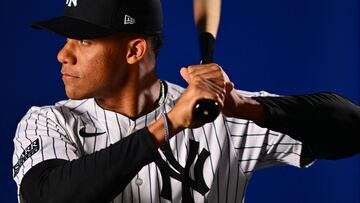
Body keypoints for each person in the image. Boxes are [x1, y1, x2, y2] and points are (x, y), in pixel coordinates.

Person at [12, 0, 360, 202]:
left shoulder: (224, 114)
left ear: (134, 50)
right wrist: (169, 124)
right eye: (67, 39)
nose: (62, 54)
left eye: (84, 41)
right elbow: (49, 197)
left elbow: (352, 127)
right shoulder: (47, 123)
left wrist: (247, 108)